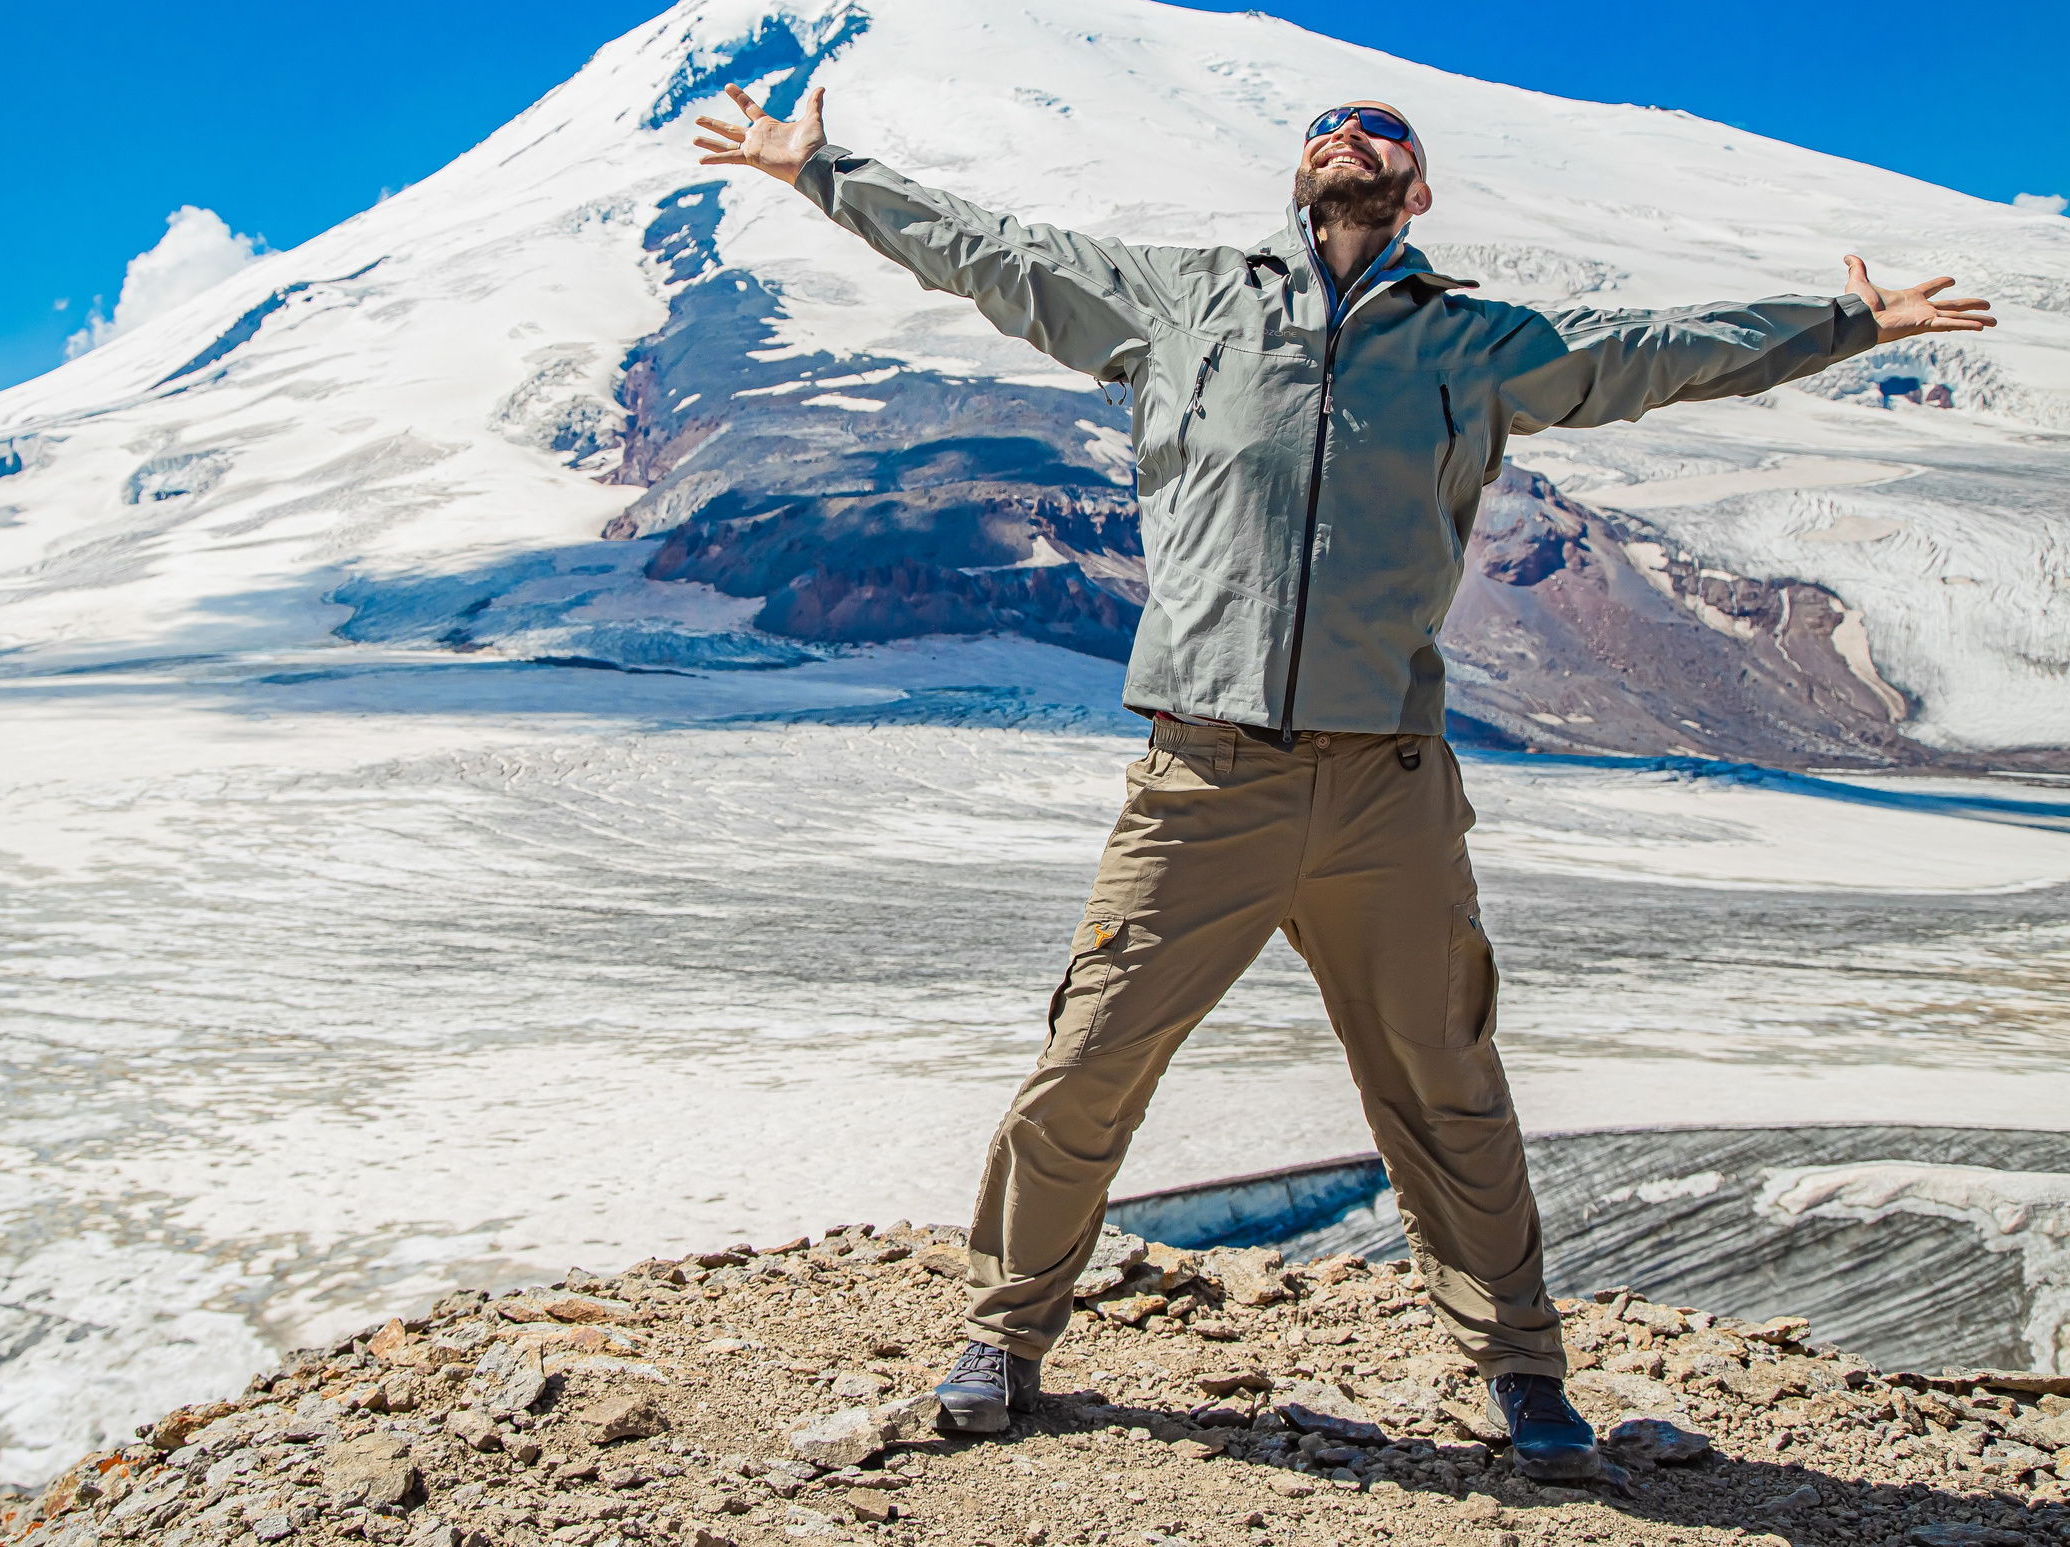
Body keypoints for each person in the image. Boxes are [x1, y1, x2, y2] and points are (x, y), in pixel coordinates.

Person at [690, 82, 1993, 1480]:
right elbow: (997, 252)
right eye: (1330, 129)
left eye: (1383, 135)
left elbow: (1657, 352)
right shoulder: (1182, 300)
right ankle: (1006, 1334)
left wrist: (1851, 322)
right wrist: (829, 173)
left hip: (1388, 786)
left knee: (1447, 1082)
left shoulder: (1477, 345)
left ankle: (1520, 1370)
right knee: (1090, 1063)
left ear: (1417, 194)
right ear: (1297, 173)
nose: (1351, 138)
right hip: (1206, 776)